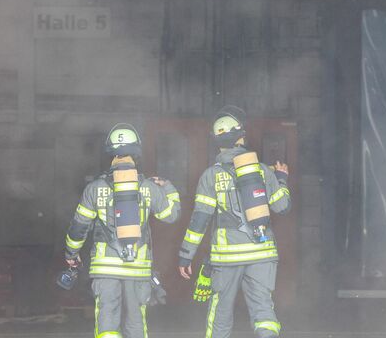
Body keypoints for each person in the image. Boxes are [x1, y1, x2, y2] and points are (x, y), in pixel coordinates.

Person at [178, 105, 291, 338]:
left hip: (227, 256)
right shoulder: (262, 171)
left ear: (217, 142)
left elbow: (200, 219)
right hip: (262, 252)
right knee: (263, 311)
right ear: (242, 136)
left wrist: (186, 255)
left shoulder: (210, 176)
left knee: (220, 313)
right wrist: (281, 179)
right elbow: (282, 207)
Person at [64, 123, 181, 338]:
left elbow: (79, 227)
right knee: (136, 322)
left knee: (107, 322)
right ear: (136, 152)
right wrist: (168, 187)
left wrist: (71, 254)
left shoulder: (95, 188)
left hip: (105, 267)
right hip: (137, 267)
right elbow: (171, 215)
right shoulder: (148, 187)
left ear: (110, 152)